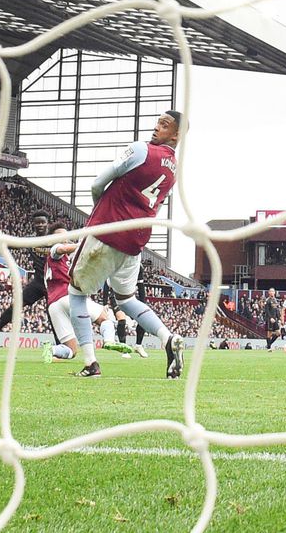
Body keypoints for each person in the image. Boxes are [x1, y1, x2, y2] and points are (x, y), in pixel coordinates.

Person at [68, 111, 184, 379]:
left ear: (176, 135)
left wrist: (100, 208)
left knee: (75, 294)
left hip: (108, 229)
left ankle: (90, 363)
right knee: (126, 299)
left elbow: (98, 183)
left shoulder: (141, 149)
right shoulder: (174, 170)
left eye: (164, 125)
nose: (156, 127)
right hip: (135, 240)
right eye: (158, 122)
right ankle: (168, 338)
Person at [39, 223, 134, 363]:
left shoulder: (58, 261)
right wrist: (84, 246)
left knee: (71, 350)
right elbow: (63, 248)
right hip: (67, 297)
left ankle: (51, 349)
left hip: (53, 305)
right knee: (104, 318)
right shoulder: (55, 251)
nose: (65, 238)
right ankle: (108, 340)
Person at [0, 211, 53, 347]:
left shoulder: (54, 240)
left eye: (42, 222)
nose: (40, 225)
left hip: (53, 283)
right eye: (37, 222)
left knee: (54, 315)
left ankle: (62, 346)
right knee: (15, 306)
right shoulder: (30, 240)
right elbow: (9, 243)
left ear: (47, 224)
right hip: (38, 282)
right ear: (33, 225)